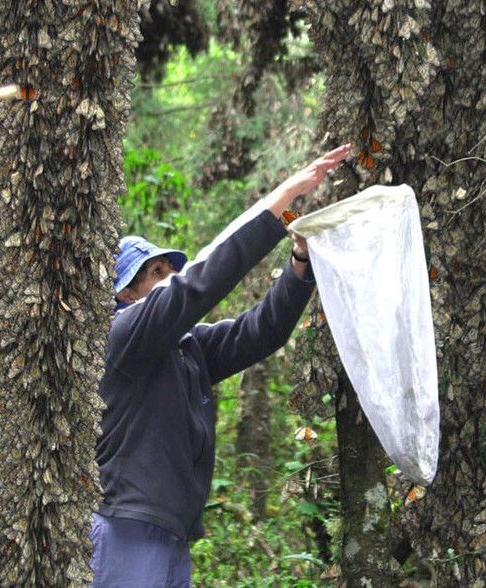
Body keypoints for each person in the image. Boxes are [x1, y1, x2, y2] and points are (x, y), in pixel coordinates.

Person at [90, 144, 351, 587]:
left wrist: (300, 262)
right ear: (126, 294)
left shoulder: (187, 348)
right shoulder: (123, 335)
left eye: (168, 269)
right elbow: (200, 284)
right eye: (155, 273)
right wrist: (282, 197)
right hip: (127, 528)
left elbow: (260, 332)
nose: (169, 278)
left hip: (173, 536)